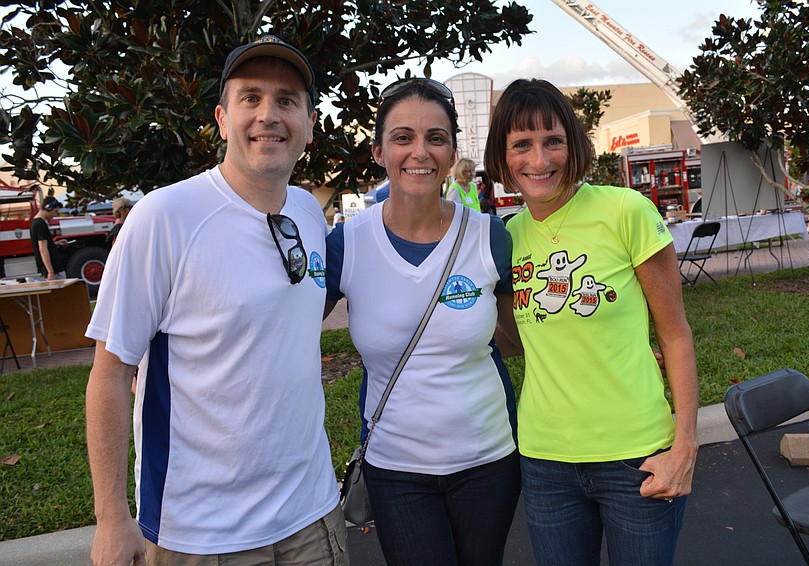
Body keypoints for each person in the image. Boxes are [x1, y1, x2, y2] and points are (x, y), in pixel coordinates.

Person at [85, 35, 347, 566]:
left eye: (287, 100)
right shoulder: (165, 218)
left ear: (309, 125)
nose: (268, 115)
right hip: (200, 533)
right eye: (250, 97)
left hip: (313, 514)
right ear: (223, 119)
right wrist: (113, 519)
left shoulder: (308, 213)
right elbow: (111, 373)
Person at [484, 78, 699, 566]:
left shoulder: (626, 211)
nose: (539, 161)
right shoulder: (503, 240)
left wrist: (685, 444)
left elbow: (675, 333)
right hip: (544, 461)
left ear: (573, 144)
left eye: (552, 141)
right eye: (522, 145)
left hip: (638, 456)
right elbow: (514, 339)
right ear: (503, 156)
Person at [324, 78, 521, 566]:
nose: (420, 152)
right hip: (395, 466)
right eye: (403, 137)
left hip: (489, 459)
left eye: (436, 138)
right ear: (378, 151)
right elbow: (283, 330)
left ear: (452, 153)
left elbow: (521, 336)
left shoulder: (490, 236)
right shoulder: (346, 244)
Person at [29, 195, 68, 280]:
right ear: (48, 208)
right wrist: (50, 271)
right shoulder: (40, 224)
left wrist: (56, 244)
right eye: (55, 211)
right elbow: (43, 248)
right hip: (54, 268)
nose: (55, 214)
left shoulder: (35, 222)